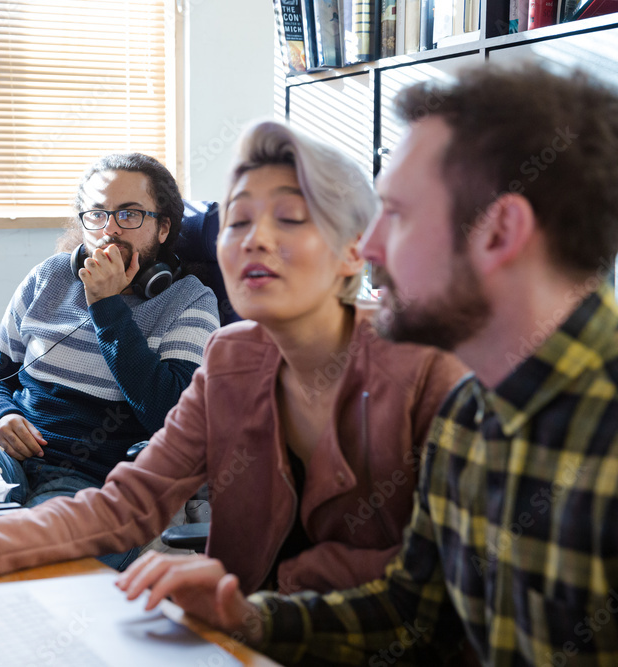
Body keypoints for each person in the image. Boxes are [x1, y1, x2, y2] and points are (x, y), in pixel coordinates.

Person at [115, 64, 618, 666]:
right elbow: (414, 605)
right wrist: (246, 616)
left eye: (398, 213)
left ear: (499, 231)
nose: (370, 247)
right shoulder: (474, 414)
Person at [0, 121, 466, 600]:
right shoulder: (233, 362)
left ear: (353, 253)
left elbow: (433, 590)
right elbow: (129, 504)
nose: (254, 239)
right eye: (237, 220)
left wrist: (255, 610)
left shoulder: (427, 375)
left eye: (288, 218)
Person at [0, 153, 219, 568]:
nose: (111, 229)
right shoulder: (47, 278)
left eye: (130, 214)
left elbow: (168, 413)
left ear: (163, 226)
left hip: (89, 480)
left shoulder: (190, 301)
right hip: (7, 452)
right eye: (97, 214)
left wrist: (106, 305)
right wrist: (4, 415)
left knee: (31, 556)